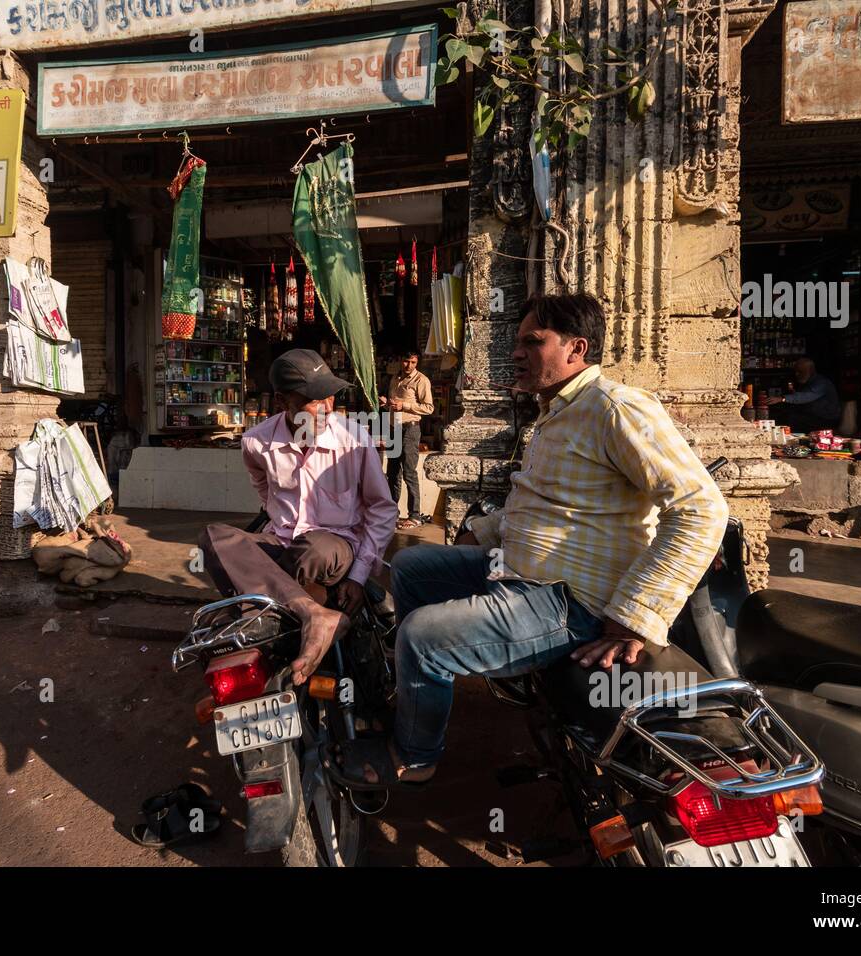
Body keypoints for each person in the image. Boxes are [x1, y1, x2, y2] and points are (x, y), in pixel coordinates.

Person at [323, 293, 730, 790]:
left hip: (569, 600)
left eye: (532, 342)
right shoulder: (558, 412)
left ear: (576, 349)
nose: (516, 352)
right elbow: (547, 504)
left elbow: (701, 508)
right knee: (412, 567)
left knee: (422, 636)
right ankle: (423, 693)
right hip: (521, 572)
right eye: (517, 341)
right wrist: (486, 531)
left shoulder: (617, 409)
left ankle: (415, 754)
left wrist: (637, 614)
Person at [198, 349, 397, 681]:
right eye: (313, 400)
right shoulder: (255, 443)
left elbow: (382, 508)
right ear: (281, 401)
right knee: (215, 538)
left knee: (314, 547)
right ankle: (312, 613)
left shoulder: (355, 439)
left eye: (330, 397)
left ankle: (265, 608)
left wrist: (358, 577)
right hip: (283, 542)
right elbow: (264, 490)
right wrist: (278, 516)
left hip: (335, 547)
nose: (327, 408)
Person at [380, 351, 434, 529]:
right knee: (393, 471)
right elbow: (395, 403)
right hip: (393, 427)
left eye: (412, 362)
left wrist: (406, 406)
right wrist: (387, 402)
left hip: (410, 428)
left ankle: (415, 515)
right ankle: (391, 512)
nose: (409, 365)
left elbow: (429, 408)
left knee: (409, 472)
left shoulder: (421, 380)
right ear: (400, 361)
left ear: (417, 363)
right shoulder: (395, 378)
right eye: (406, 361)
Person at [763, 357, 840, 433]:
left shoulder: (821, 383)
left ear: (811, 371)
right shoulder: (806, 382)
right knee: (783, 414)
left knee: (791, 418)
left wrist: (782, 398)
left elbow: (805, 396)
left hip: (825, 420)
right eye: (796, 371)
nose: (797, 374)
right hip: (813, 416)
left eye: (800, 371)